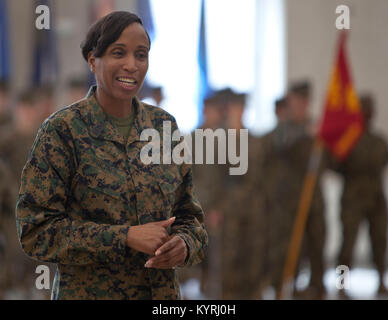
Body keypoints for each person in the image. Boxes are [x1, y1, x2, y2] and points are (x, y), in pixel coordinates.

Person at [16, 11, 208, 300]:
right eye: (119, 53)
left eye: (141, 55)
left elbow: (190, 218)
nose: (132, 65)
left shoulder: (163, 128)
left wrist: (184, 244)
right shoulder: (63, 131)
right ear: (93, 61)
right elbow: (36, 232)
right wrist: (124, 236)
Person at [335, 94, 388, 297]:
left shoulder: (379, 141)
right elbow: (336, 165)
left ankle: (381, 280)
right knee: (347, 244)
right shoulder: (348, 141)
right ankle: (341, 283)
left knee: (379, 242)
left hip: (375, 198)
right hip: (352, 199)